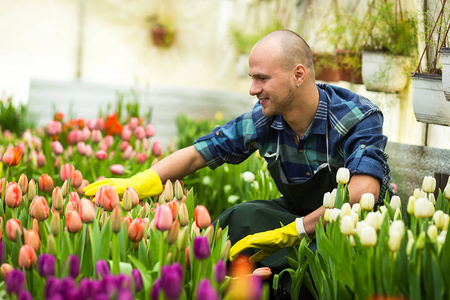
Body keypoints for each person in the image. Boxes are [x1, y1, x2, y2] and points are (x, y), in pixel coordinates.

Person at [84, 28, 391, 288]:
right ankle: (203, 285)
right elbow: (200, 154)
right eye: (252, 78)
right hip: (300, 214)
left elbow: (364, 192)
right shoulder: (267, 117)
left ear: (298, 74)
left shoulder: (355, 117)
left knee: (316, 254)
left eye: (262, 78)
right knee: (241, 218)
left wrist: (292, 232)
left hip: (353, 229)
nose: (252, 89)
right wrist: (140, 182)